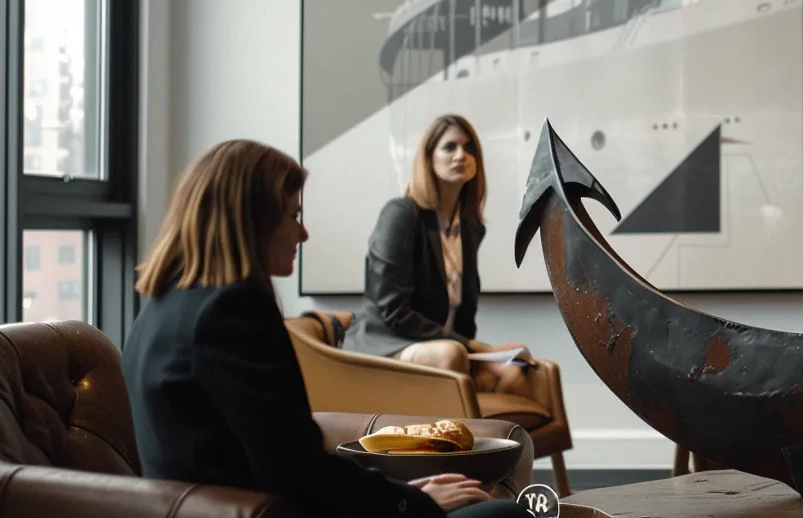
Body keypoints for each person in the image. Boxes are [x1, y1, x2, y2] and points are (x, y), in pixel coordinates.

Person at [122, 139, 530, 518]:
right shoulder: (232, 312)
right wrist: (412, 502)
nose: (303, 233)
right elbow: (298, 473)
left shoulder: (163, 306)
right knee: (506, 513)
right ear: (254, 221)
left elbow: (286, 460)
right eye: (293, 216)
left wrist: (393, 490)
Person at [343, 115, 529, 397]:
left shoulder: (469, 228)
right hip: (387, 343)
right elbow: (394, 311)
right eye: (449, 147)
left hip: (442, 347)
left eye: (469, 149)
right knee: (450, 354)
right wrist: (476, 348)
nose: (460, 156)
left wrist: (481, 350)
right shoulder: (401, 214)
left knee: (517, 363)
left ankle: (492, 440)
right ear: (428, 158)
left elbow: (465, 316)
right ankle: (454, 438)